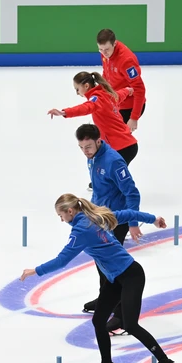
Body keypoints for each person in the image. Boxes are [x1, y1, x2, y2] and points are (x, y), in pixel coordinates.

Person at [20, 194, 182, 363]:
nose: (61, 219)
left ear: (70, 211)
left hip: (130, 276)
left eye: (61, 215)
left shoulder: (82, 229)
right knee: (99, 321)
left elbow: (62, 261)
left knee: (130, 325)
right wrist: (153, 218)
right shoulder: (96, 216)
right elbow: (128, 214)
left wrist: (35, 270)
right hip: (114, 280)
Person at [75, 123, 142, 334]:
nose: (85, 151)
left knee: (114, 266)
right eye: (81, 147)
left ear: (98, 140)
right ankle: (107, 298)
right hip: (100, 217)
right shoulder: (93, 157)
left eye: (88, 147)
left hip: (116, 219)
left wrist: (132, 223)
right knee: (101, 261)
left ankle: (122, 315)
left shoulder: (113, 161)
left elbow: (132, 193)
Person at [47, 71, 138, 192]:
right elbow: (120, 94)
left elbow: (85, 108)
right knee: (106, 169)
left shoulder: (97, 98)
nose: (77, 93)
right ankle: (103, 185)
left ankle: (124, 198)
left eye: (77, 89)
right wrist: (128, 90)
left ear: (86, 86)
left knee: (111, 175)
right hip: (125, 144)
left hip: (123, 146)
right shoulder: (107, 94)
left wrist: (64, 112)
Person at [97, 28, 147, 133]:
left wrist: (134, 118)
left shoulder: (126, 61)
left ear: (114, 43)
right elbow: (106, 73)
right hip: (116, 101)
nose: (103, 53)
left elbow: (140, 89)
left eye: (106, 49)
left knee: (117, 139)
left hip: (129, 106)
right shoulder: (105, 51)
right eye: (100, 49)